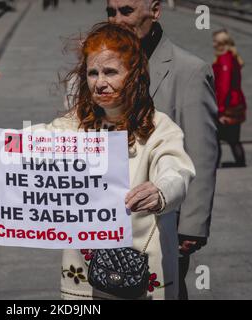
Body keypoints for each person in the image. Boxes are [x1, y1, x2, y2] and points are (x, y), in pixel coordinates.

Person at [0, 23, 195, 299]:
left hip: (143, 269)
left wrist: (161, 191)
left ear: (135, 75)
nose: (99, 82)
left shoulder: (158, 126)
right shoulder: (76, 126)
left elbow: (177, 169)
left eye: (110, 72)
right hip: (85, 274)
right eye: (92, 73)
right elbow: (22, 144)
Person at [106, 0, 218, 299]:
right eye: (110, 12)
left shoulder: (189, 70)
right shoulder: (104, 66)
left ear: (154, 11)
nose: (116, 20)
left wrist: (193, 226)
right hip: (111, 220)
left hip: (164, 220)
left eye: (126, 11)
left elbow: (203, 153)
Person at [212, 29, 246, 168]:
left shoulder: (225, 59)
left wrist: (220, 110)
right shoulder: (232, 57)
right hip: (235, 102)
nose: (213, 44)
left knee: (217, 138)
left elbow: (224, 86)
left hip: (228, 106)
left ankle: (215, 164)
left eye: (215, 41)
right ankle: (240, 163)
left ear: (221, 43)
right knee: (233, 139)